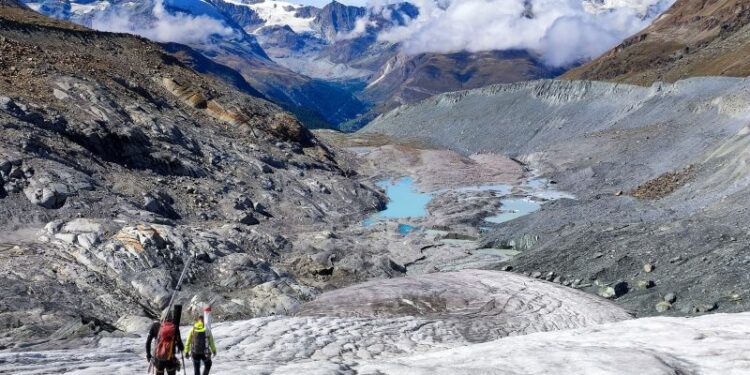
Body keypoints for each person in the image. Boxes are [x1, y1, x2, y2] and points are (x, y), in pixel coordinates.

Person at [146, 309, 185, 375]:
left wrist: (148, 355)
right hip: (170, 359)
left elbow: (148, 342)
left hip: (158, 359)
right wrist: (181, 348)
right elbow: (180, 344)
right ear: (171, 317)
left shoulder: (155, 326)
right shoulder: (174, 327)